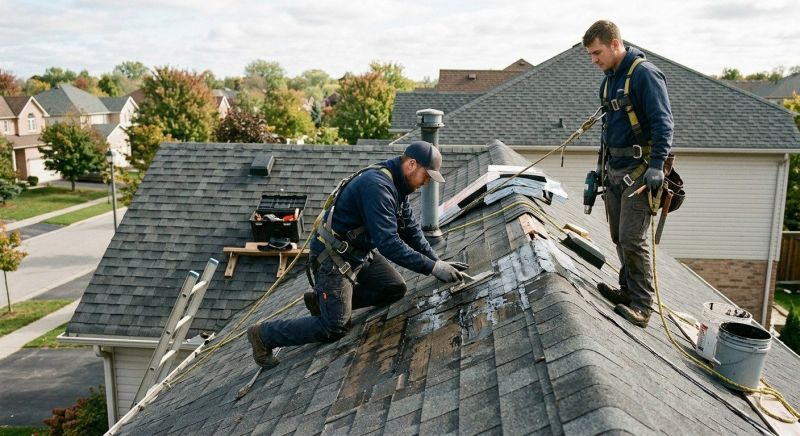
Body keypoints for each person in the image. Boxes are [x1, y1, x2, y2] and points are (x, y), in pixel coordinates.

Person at [248, 140, 469, 368]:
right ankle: (264, 335)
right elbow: (389, 244)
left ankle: (321, 301)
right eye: (426, 175)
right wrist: (433, 269)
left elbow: (411, 231)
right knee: (334, 327)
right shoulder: (377, 186)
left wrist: (437, 261)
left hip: (360, 254)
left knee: (395, 289)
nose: (426, 182)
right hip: (334, 259)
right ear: (412, 164)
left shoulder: (399, 186)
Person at [583, 20, 674, 327]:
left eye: (597, 53)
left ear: (616, 44)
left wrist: (656, 166)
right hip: (614, 169)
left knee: (633, 238)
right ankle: (627, 290)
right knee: (618, 237)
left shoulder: (644, 75)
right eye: (591, 55)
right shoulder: (609, 80)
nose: (594, 60)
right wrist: (601, 168)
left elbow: (664, 124)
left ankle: (643, 305)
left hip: (640, 170)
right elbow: (608, 128)